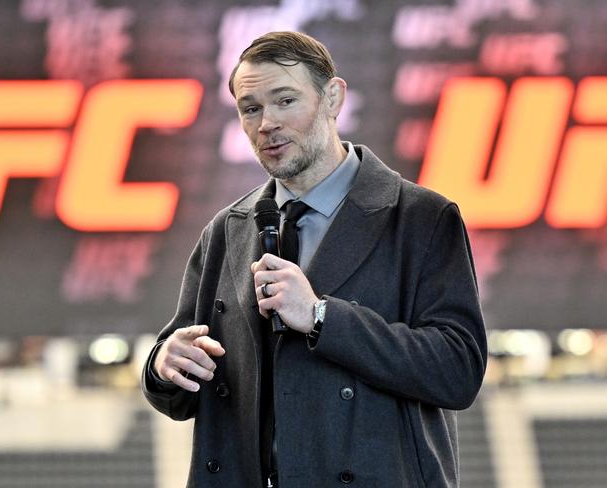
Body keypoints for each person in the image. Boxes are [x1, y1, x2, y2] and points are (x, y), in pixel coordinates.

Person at [142, 31, 487, 487]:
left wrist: (323, 317)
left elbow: (457, 370)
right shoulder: (227, 231)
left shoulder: (421, 219)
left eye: (285, 101)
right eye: (251, 108)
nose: (266, 123)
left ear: (332, 98)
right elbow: (182, 393)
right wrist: (166, 364)